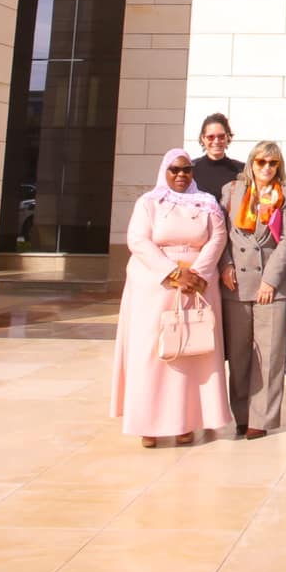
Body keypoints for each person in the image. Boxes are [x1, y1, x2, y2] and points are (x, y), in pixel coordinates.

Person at [110, 149, 228, 447]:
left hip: (197, 285)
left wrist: (198, 273)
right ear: (165, 171)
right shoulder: (149, 203)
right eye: (175, 169)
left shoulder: (207, 203)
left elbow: (218, 238)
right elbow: (138, 240)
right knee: (152, 355)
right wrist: (173, 273)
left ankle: (185, 422)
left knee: (191, 353)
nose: (181, 175)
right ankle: (148, 424)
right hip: (155, 286)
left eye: (186, 169)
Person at [217, 141, 286, 439]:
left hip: (272, 287)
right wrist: (225, 265)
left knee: (269, 355)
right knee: (239, 356)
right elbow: (220, 233)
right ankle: (241, 414)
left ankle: (260, 419)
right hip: (236, 284)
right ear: (251, 163)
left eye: (272, 163)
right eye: (261, 162)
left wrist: (270, 281)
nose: (266, 167)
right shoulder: (231, 191)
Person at [192, 112, 242, 200]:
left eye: (221, 136)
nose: (216, 141)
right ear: (203, 138)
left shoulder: (240, 170)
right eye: (210, 137)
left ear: (228, 137)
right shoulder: (192, 169)